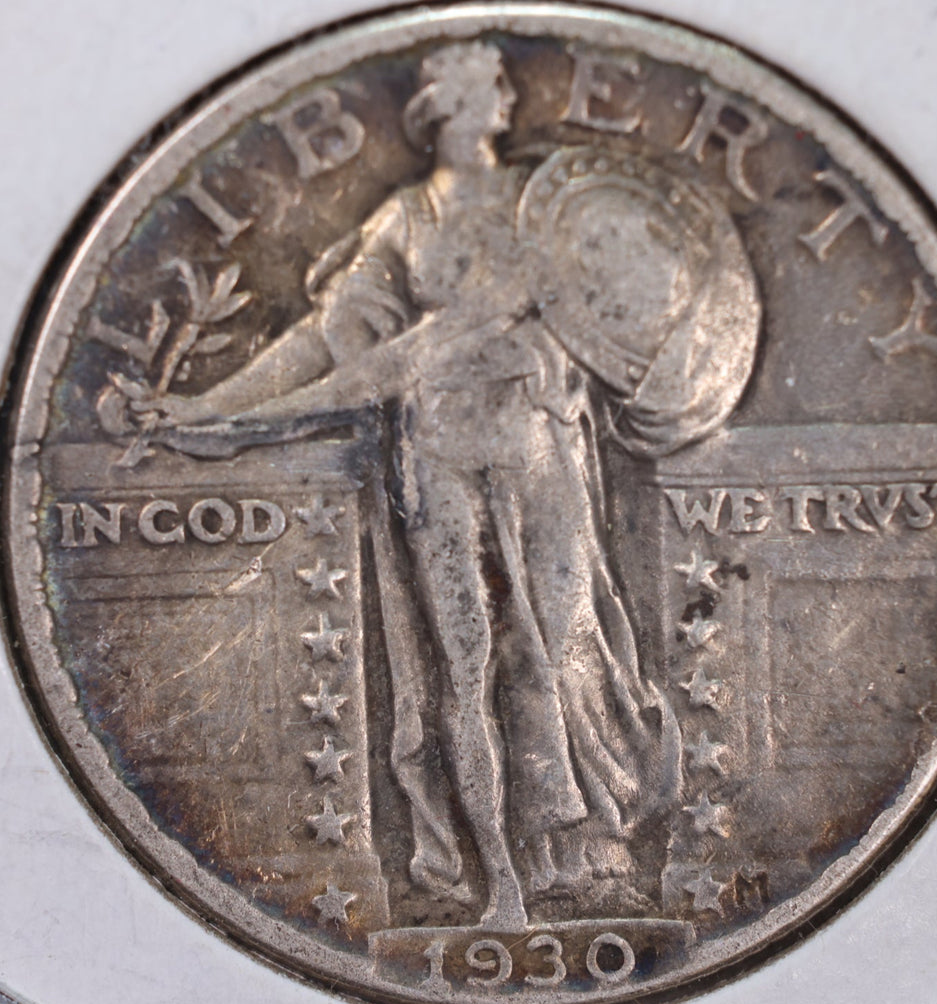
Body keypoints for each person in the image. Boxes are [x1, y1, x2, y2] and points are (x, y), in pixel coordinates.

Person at [133, 42, 758, 929]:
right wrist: (209, 408)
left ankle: (583, 857)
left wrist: (229, 420)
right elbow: (327, 344)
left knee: (567, 649)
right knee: (463, 668)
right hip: (440, 459)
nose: (504, 90)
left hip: (541, 450)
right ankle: (496, 882)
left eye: (499, 80)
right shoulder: (407, 216)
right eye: (485, 81)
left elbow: (627, 302)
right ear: (445, 105)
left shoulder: (547, 204)